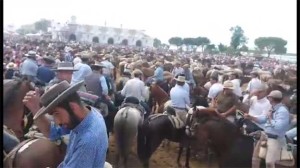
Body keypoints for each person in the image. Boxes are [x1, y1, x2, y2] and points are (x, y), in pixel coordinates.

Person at [23, 81, 108, 167]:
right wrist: (35, 109)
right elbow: (52, 132)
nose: (57, 122)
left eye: (57, 113)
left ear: (72, 107)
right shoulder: (86, 115)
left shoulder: (88, 139)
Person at [244, 90, 290, 167]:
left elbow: (279, 127)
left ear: (271, 98)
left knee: (269, 162)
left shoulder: (282, 111)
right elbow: (262, 119)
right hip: (265, 136)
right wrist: (251, 117)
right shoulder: (271, 108)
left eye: (269, 97)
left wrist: (270, 118)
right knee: (255, 159)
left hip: (275, 139)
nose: (268, 98)